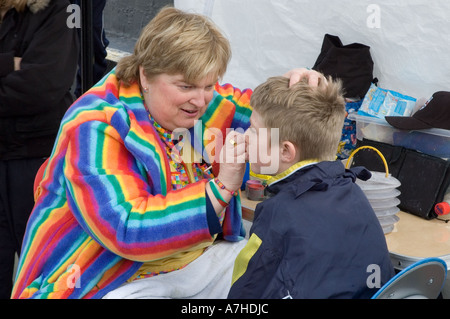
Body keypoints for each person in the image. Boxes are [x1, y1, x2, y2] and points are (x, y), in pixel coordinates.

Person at [11, 6, 323, 299]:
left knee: (281, 273)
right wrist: (221, 189)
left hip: (190, 261)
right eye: (186, 86)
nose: (201, 101)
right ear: (145, 75)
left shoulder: (201, 103)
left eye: (210, 84)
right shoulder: (96, 124)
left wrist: (294, 91)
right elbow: (127, 229)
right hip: (103, 272)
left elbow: (266, 120)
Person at [228, 76, 395, 299]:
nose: (246, 135)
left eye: (255, 131)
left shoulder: (278, 212)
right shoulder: (352, 189)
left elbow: (248, 290)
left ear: (286, 151)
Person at [0, 0, 78, 299]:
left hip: (35, 159)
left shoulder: (59, 8)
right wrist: (10, 62)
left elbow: (42, 85)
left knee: (41, 269)